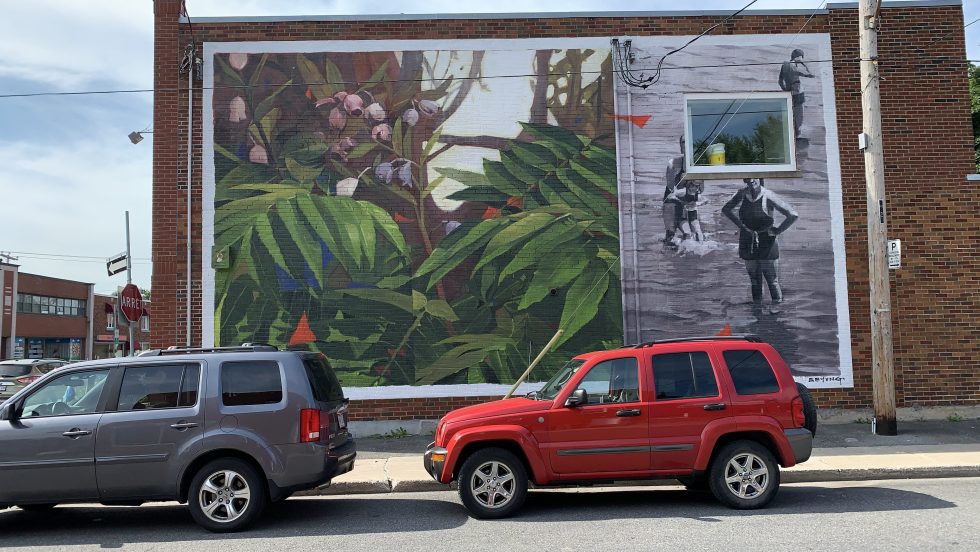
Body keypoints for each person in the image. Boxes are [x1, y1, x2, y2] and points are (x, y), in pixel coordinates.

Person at [722, 178, 799, 305]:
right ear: (745, 179)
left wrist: (778, 230)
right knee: (754, 281)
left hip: (766, 241)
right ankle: (757, 313)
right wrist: (741, 226)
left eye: (755, 176)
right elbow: (726, 209)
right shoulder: (741, 194)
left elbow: (793, 214)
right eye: (748, 177)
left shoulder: (768, 195)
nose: (751, 180)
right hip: (747, 239)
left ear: (760, 178)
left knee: (772, 280)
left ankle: (777, 314)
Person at [663, 136, 705, 244]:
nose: (686, 144)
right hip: (672, 201)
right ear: (680, 146)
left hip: (689, 200)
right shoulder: (672, 164)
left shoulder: (699, 166)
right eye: (683, 142)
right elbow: (671, 190)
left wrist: (695, 197)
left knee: (697, 233)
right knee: (671, 235)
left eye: (689, 141)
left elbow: (701, 190)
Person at [778, 48, 815, 141]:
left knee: (791, 113)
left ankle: (792, 133)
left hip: (789, 93)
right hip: (798, 93)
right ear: (799, 57)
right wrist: (803, 63)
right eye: (801, 57)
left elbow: (780, 81)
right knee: (799, 114)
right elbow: (811, 74)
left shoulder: (785, 65)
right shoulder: (794, 67)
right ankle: (797, 134)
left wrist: (785, 89)